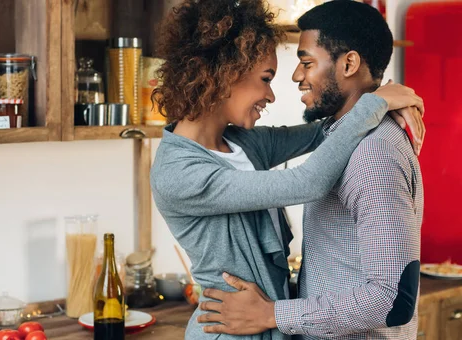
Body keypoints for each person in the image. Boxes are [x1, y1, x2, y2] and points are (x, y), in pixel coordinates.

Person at [149, 0, 424, 339]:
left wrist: (387, 102)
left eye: (304, 64)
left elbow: (328, 131)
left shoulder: (245, 143)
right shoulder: (178, 172)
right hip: (229, 329)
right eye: (266, 79)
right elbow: (306, 181)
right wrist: (376, 103)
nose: (273, 94)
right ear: (224, 74)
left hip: (269, 325)